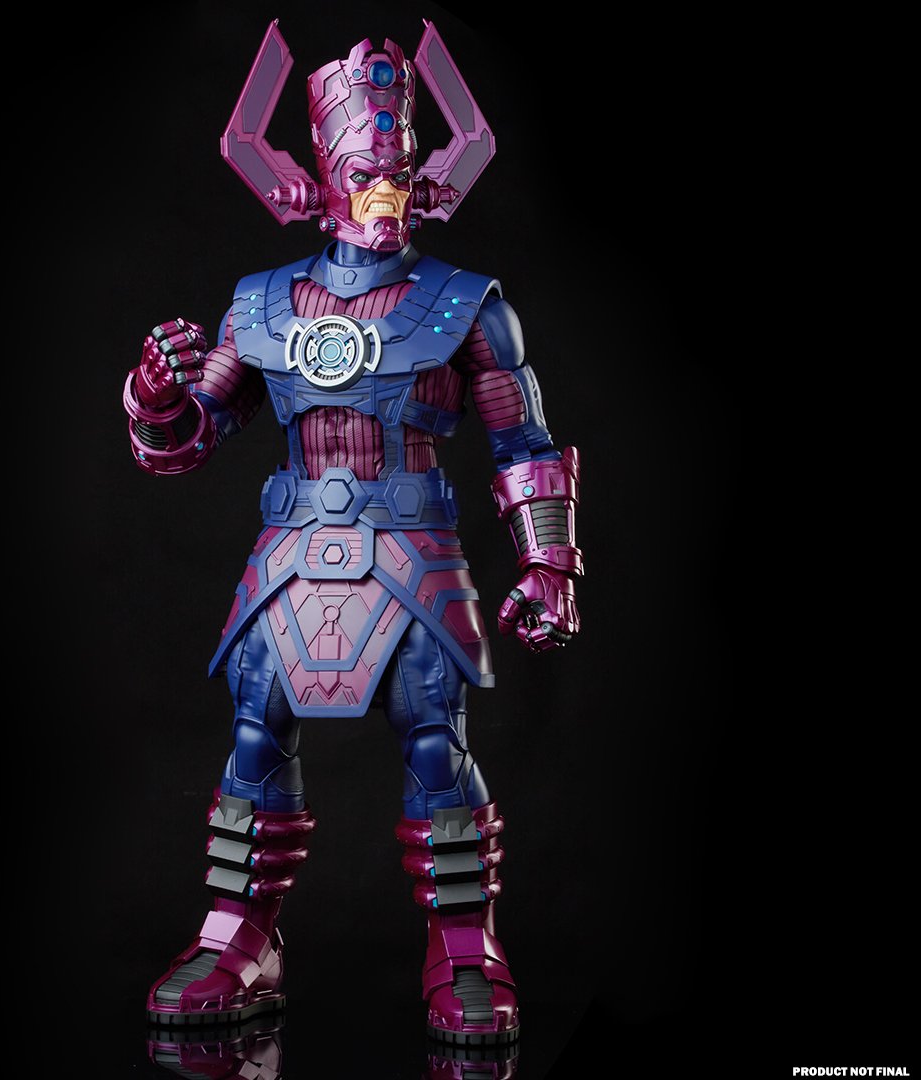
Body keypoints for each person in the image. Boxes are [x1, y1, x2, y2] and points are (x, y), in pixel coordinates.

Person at [124, 23, 584, 1047]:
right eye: (365, 173)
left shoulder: (465, 307)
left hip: (414, 550)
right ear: (322, 175)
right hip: (291, 557)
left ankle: (465, 950)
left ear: (424, 172)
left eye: (398, 172)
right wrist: (155, 394)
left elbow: (524, 442)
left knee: (434, 741)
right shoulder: (260, 305)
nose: (384, 192)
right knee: (255, 733)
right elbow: (189, 440)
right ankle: (237, 938)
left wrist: (549, 562)